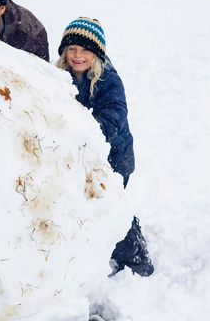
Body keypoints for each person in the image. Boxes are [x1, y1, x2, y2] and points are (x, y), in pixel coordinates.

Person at [56, 17, 154, 277]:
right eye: (72, 49)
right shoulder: (57, 77)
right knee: (82, 202)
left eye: (85, 50)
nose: (78, 56)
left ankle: (135, 257)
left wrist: (81, 130)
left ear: (96, 54)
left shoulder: (108, 81)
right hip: (79, 156)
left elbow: (113, 117)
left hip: (114, 158)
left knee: (111, 203)